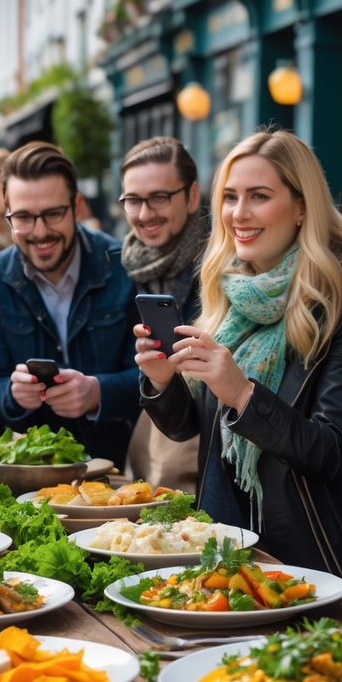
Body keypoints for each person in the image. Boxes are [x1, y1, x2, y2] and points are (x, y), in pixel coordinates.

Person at [135, 129, 342, 611]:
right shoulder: (227, 297)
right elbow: (191, 428)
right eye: (229, 197)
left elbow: (333, 450)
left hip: (315, 560)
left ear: (301, 207)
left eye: (259, 196)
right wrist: (161, 381)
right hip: (230, 550)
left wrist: (243, 395)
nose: (238, 213)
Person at [0, 141, 140, 466]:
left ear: (76, 206)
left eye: (52, 214)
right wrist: (12, 394)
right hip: (23, 474)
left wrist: (96, 392)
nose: (40, 232)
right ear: (6, 213)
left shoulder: (124, 266)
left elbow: (152, 376)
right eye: (23, 217)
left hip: (116, 473)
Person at [118, 137, 209, 493]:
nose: (144, 214)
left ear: (192, 196)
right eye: (133, 201)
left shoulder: (222, 264)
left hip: (211, 457)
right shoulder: (123, 264)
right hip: (148, 462)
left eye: (159, 197)